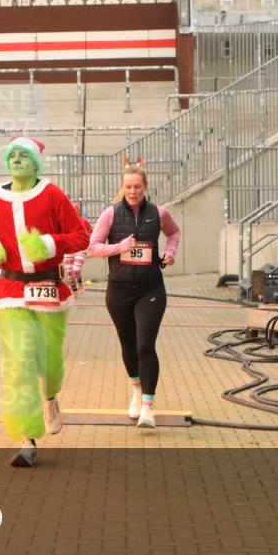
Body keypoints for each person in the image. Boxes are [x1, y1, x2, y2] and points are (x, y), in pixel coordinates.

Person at [0, 137, 91, 467]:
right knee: (19, 362)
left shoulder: (52, 193)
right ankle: (26, 437)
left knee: (48, 363)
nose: (17, 159)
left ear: (36, 162)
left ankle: (50, 397)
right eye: (12, 155)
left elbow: (81, 236)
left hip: (48, 286)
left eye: (24, 155)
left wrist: (49, 244)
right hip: (11, 289)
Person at [88, 159, 181, 429]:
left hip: (150, 289)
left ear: (145, 187)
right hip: (119, 290)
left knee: (144, 345)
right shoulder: (110, 214)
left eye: (137, 186)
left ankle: (148, 408)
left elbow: (173, 233)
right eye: (128, 187)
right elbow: (93, 247)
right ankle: (137, 392)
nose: (132, 191)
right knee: (128, 346)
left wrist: (170, 253)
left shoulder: (159, 213)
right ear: (122, 187)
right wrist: (119, 247)